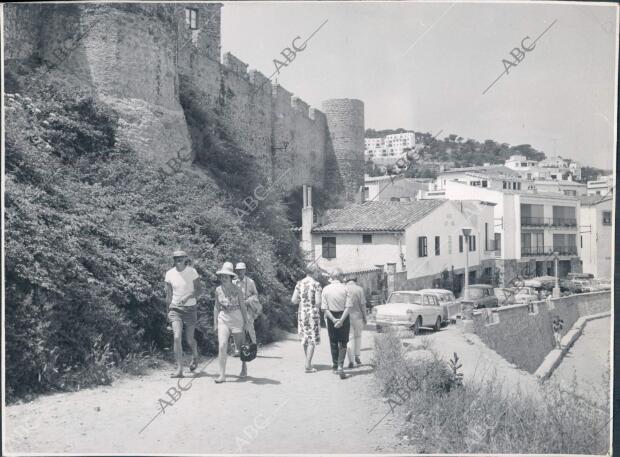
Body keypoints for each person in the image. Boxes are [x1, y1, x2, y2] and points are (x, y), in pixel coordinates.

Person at [165, 250, 201, 378]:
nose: (178, 259)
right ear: (173, 260)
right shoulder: (169, 274)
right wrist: (167, 314)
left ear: (186, 258)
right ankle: (179, 369)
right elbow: (168, 296)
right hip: (175, 309)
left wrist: (188, 296)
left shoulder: (192, 272)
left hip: (190, 308)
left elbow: (199, 290)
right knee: (176, 337)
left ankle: (195, 356)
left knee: (190, 339)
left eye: (181, 257)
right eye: (176, 258)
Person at [214, 262, 252, 383]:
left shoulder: (238, 290)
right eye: (222, 276)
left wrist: (246, 322)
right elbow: (216, 307)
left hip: (237, 319)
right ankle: (222, 375)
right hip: (223, 319)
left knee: (240, 347)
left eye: (226, 276)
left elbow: (242, 306)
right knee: (222, 345)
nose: (223, 279)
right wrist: (215, 322)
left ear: (231, 278)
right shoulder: (218, 290)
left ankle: (243, 367)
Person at [321, 268, 353, 380]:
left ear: (332, 277)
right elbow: (348, 307)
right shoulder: (346, 288)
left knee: (333, 342)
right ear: (340, 277)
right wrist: (341, 320)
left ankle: (335, 366)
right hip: (344, 316)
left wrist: (334, 320)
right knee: (343, 342)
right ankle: (340, 365)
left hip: (331, 317)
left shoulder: (325, 289)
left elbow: (324, 308)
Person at [291, 265, 322, 373]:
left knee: (305, 338)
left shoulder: (299, 283)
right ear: (314, 272)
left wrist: (303, 301)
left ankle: (307, 362)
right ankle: (308, 366)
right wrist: (314, 305)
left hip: (302, 313)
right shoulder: (316, 284)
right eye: (318, 271)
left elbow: (293, 300)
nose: (318, 273)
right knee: (312, 339)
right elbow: (318, 303)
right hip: (312, 314)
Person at [234, 262, 260, 345]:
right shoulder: (234, 282)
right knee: (237, 328)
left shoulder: (250, 282)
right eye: (238, 270)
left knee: (250, 327)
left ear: (245, 270)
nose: (239, 272)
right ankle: (239, 348)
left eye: (241, 270)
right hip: (237, 308)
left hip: (248, 308)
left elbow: (255, 294)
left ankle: (253, 346)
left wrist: (249, 300)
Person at [345, 276, 367, 368]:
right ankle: (357, 357)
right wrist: (365, 317)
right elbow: (363, 305)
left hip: (346, 317)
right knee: (358, 337)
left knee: (349, 338)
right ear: (355, 281)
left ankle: (351, 361)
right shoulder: (360, 289)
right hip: (358, 317)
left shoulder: (344, 288)